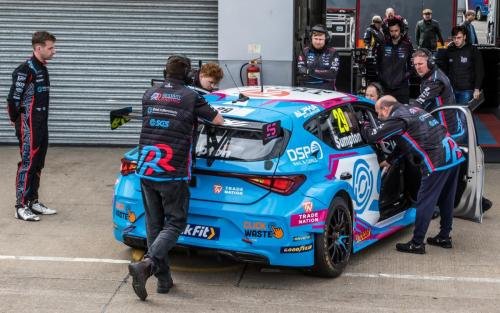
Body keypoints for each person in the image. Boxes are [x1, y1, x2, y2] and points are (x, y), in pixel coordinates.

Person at [128, 55, 224, 301]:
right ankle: (147, 264)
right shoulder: (192, 96)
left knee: (154, 226)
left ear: (164, 72)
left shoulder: (149, 93)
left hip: (146, 168)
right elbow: (217, 120)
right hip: (174, 170)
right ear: (189, 75)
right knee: (175, 223)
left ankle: (163, 281)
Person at [361, 95, 465, 254]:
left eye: (378, 113)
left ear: (386, 108)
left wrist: (364, 123)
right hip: (453, 153)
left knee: (425, 202)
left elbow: (372, 136)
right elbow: (406, 141)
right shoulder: (413, 109)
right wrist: (390, 160)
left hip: (437, 161)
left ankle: (417, 243)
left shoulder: (398, 119)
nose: (379, 117)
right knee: (446, 199)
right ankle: (444, 237)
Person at [6, 31, 57, 221]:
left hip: (41, 124)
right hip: (29, 126)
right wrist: (16, 120)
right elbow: (13, 100)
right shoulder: (24, 70)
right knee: (27, 164)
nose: (54, 52)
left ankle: (32, 201)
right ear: (38, 48)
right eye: (50, 48)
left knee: (38, 163)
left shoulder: (42, 68)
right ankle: (20, 206)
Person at [440, 25, 484, 105]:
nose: (456, 40)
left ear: (464, 37)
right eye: (454, 38)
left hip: (467, 90)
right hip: (451, 89)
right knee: (451, 114)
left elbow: (479, 70)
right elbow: (444, 70)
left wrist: (477, 88)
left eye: (459, 37)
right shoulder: (449, 50)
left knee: (462, 115)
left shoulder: (473, 50)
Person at [375, 18, 414, 104]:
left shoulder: (407, 46)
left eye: (396, 30)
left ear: (401, 30)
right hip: (385, 87)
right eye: (391, 31)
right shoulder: (382, 45)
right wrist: (381, 77)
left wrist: (404, 77)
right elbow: (377, 63)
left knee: (403, 114)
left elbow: (412, 65)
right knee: (386, 114)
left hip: (402, 88)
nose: (394, 33)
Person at [297, 24, 340, 90]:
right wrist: (324, 73)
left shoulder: (333, 52)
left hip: (327, 90)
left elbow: (332, 74)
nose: (318, 42)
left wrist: (309, 71)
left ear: (326, 39)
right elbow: (301, 71)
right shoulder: (304, 51)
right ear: (311, 38)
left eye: (320, 39)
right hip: (306, 90)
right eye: (316, 39)